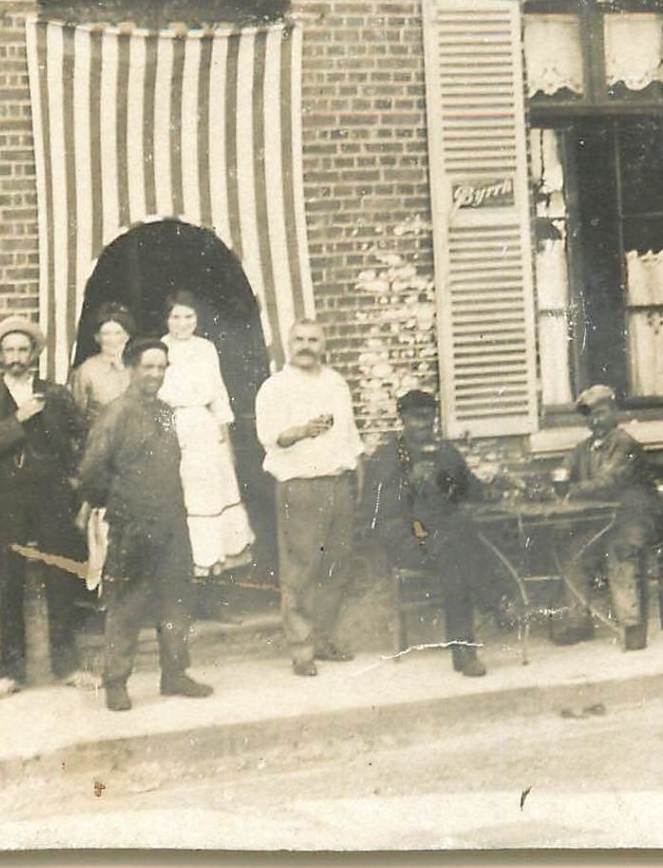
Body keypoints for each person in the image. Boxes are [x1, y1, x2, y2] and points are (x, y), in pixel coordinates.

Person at [78, 338, 215, 712]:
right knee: (127, 603)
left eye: (161, 367)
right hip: (132, 524)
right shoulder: (115, 413)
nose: (155, 374)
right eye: (147, 367)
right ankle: (116, 681)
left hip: (172, 520)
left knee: (177, 599)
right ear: (132, 369)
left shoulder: (167, 412)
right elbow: (91, 471)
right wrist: (122, 502)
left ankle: (174, 674)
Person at [0, 314, 92, 699]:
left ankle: (67, 665)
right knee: (11, 580)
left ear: (34, 353)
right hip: (8, 496)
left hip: (52, 494)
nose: (16, 356)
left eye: (23, 349)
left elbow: (82, 436)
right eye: (9, 349)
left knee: (60, 576)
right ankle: (11, 671)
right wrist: (18, 419)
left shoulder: (54, 394)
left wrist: (74, 479)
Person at [255, 318, 365, 677]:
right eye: (299, 339)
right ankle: (302, 649)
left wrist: (357, 476)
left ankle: (324, 638)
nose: (305, 345)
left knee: (336, 567)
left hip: (338, 484)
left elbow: (350, 436)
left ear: (323, 344)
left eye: (313, 339)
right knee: (301, 570)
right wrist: (302, 431)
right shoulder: (275, 387)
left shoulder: (336, 383)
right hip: (300, 487)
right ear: (288, 344)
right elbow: (271, 437)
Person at [366, 390, 499, 678]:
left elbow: (469, 489)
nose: (423, 425)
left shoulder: (445, 452)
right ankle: (492, 607)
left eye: (428, 417)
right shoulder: (388, 455)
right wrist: (408, 484)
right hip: (405, 535)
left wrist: (493, 486)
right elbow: (377, 509)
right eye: (416, 418)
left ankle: (464, 648)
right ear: (403, 419)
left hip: (443, 536)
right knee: (458, 550)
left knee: (454, 557)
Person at [551, 385, 663, 651]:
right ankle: (578, 622)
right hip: (605, 521)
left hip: (636, 519)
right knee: (573, 551)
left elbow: (607, 483)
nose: (595, 421)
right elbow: (564, 470)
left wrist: (569, 489)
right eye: (589, 416)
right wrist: (556, 480)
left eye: (600, 413)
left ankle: (632, 626)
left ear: (614, 412)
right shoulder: (585, 448)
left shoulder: (625, 445)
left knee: (619, 549)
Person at [159, 291, 254, 578]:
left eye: (189, 316)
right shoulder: (159, 349)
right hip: (174, 429)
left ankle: (216, 585)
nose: (182, 323)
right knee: (188, 506)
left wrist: (227, 445)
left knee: (215, 503)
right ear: (166, 319)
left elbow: (219, 396)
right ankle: (188, 589)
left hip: (207, 430)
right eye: (176, 316)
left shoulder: (206, 349)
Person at [68, 302, 137, 593]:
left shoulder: (137, 368)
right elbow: (75, 418)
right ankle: (104, 593)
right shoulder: (87, 371)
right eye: (105, 334)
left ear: (127, 336)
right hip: (102, 456)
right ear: (97, 338)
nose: (112, 340)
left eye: (117, 333)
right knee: (103, 527)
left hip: (135, 456)